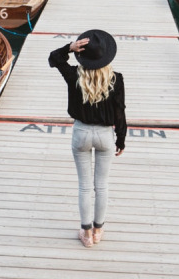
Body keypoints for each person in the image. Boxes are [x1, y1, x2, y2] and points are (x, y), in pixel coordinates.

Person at [49, 29, 126, 248]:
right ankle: (98, 230)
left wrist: (69, 48)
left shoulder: (74, 75)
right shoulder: (116, 79)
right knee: (101, 186)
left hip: (81, 133)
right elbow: (120, 111)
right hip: (105, 136)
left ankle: (86, 233)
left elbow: (53, 59)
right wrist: (121, 139)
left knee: (84, 186)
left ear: (82, 56)